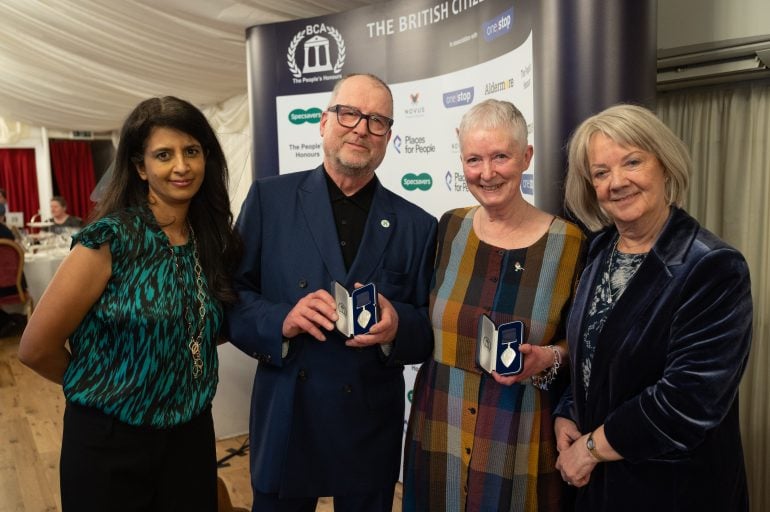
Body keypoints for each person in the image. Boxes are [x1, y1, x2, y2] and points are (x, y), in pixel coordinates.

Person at [18, 96, 242, 511]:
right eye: (164, 155)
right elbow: (35, 348)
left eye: (192, 151)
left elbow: (206, 325)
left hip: (190, 436)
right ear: (141, 167)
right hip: (111, 446)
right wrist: (104, 387)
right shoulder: (110, 240)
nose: (181, 166)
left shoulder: (211, 239)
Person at [226, 73, 437, 512]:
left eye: (376, 120)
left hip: (367, 424)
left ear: (388, 137)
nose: (361, 128)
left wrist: (397, 325)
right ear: (323, 122)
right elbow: (231, 297)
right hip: (288, 414)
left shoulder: (417, 225)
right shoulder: (270, 199)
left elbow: (426, 326)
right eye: (349, 114)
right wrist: (281, 320)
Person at [554, 104, 752, 511]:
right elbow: (594, 355)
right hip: (600, 487)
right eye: (601, 172)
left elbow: (687, 401)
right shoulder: (599, 250)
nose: (617, 182)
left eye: (632, 162)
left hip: (673, 490)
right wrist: (568, 413)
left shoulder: (712, 266)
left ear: (664, 164)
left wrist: (590, 448)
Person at [402, 99, 587, 512]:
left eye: (500, 156)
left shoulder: (570, 244)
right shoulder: (449, 227)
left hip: (517, 439)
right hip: (438, 430)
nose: (486, 173)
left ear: (526, 156)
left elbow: (583, 346)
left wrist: (550, 357)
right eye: (473, 159)